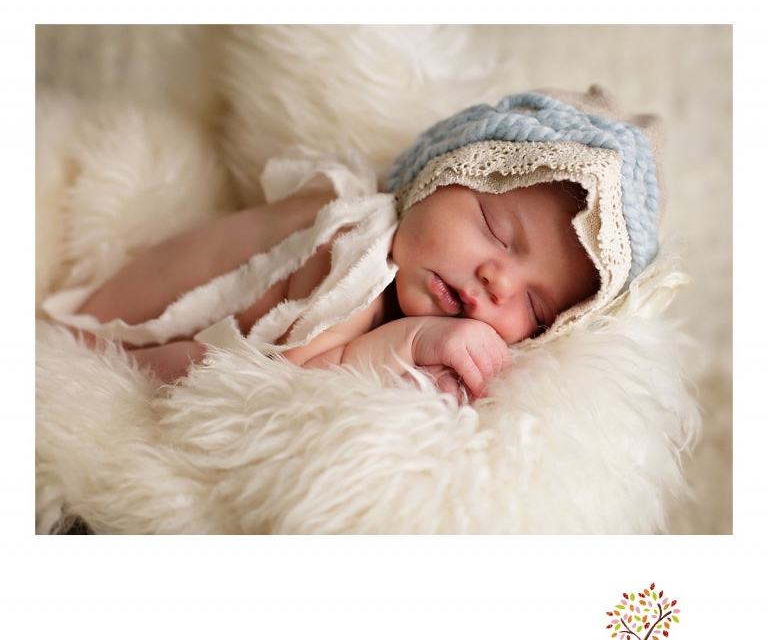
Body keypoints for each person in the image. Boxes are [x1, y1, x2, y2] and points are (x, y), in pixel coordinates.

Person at [44, 85, 664, 401]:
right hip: (94, 347)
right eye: (496, 231)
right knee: (193, 372)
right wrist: (414, 344)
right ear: (437, 174)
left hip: (103, 336)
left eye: (535, 307)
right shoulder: (357, 245)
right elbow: (287, 384)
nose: (499, 282)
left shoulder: (401, 262)